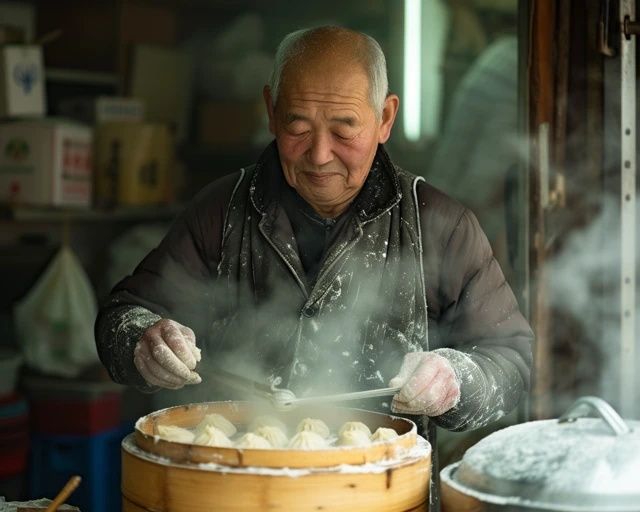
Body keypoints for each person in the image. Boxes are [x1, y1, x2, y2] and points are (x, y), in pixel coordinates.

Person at [95, 26, 533, 510]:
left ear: (385, 118)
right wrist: (144, 342)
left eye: (345, 128)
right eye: (298, 127)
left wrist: (458, 378)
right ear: (270, 111)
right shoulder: (221, 211)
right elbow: (125, 313)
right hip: (230, 490)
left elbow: (511, 359)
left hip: (377, 498)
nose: (320, 154)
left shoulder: (441, 226)